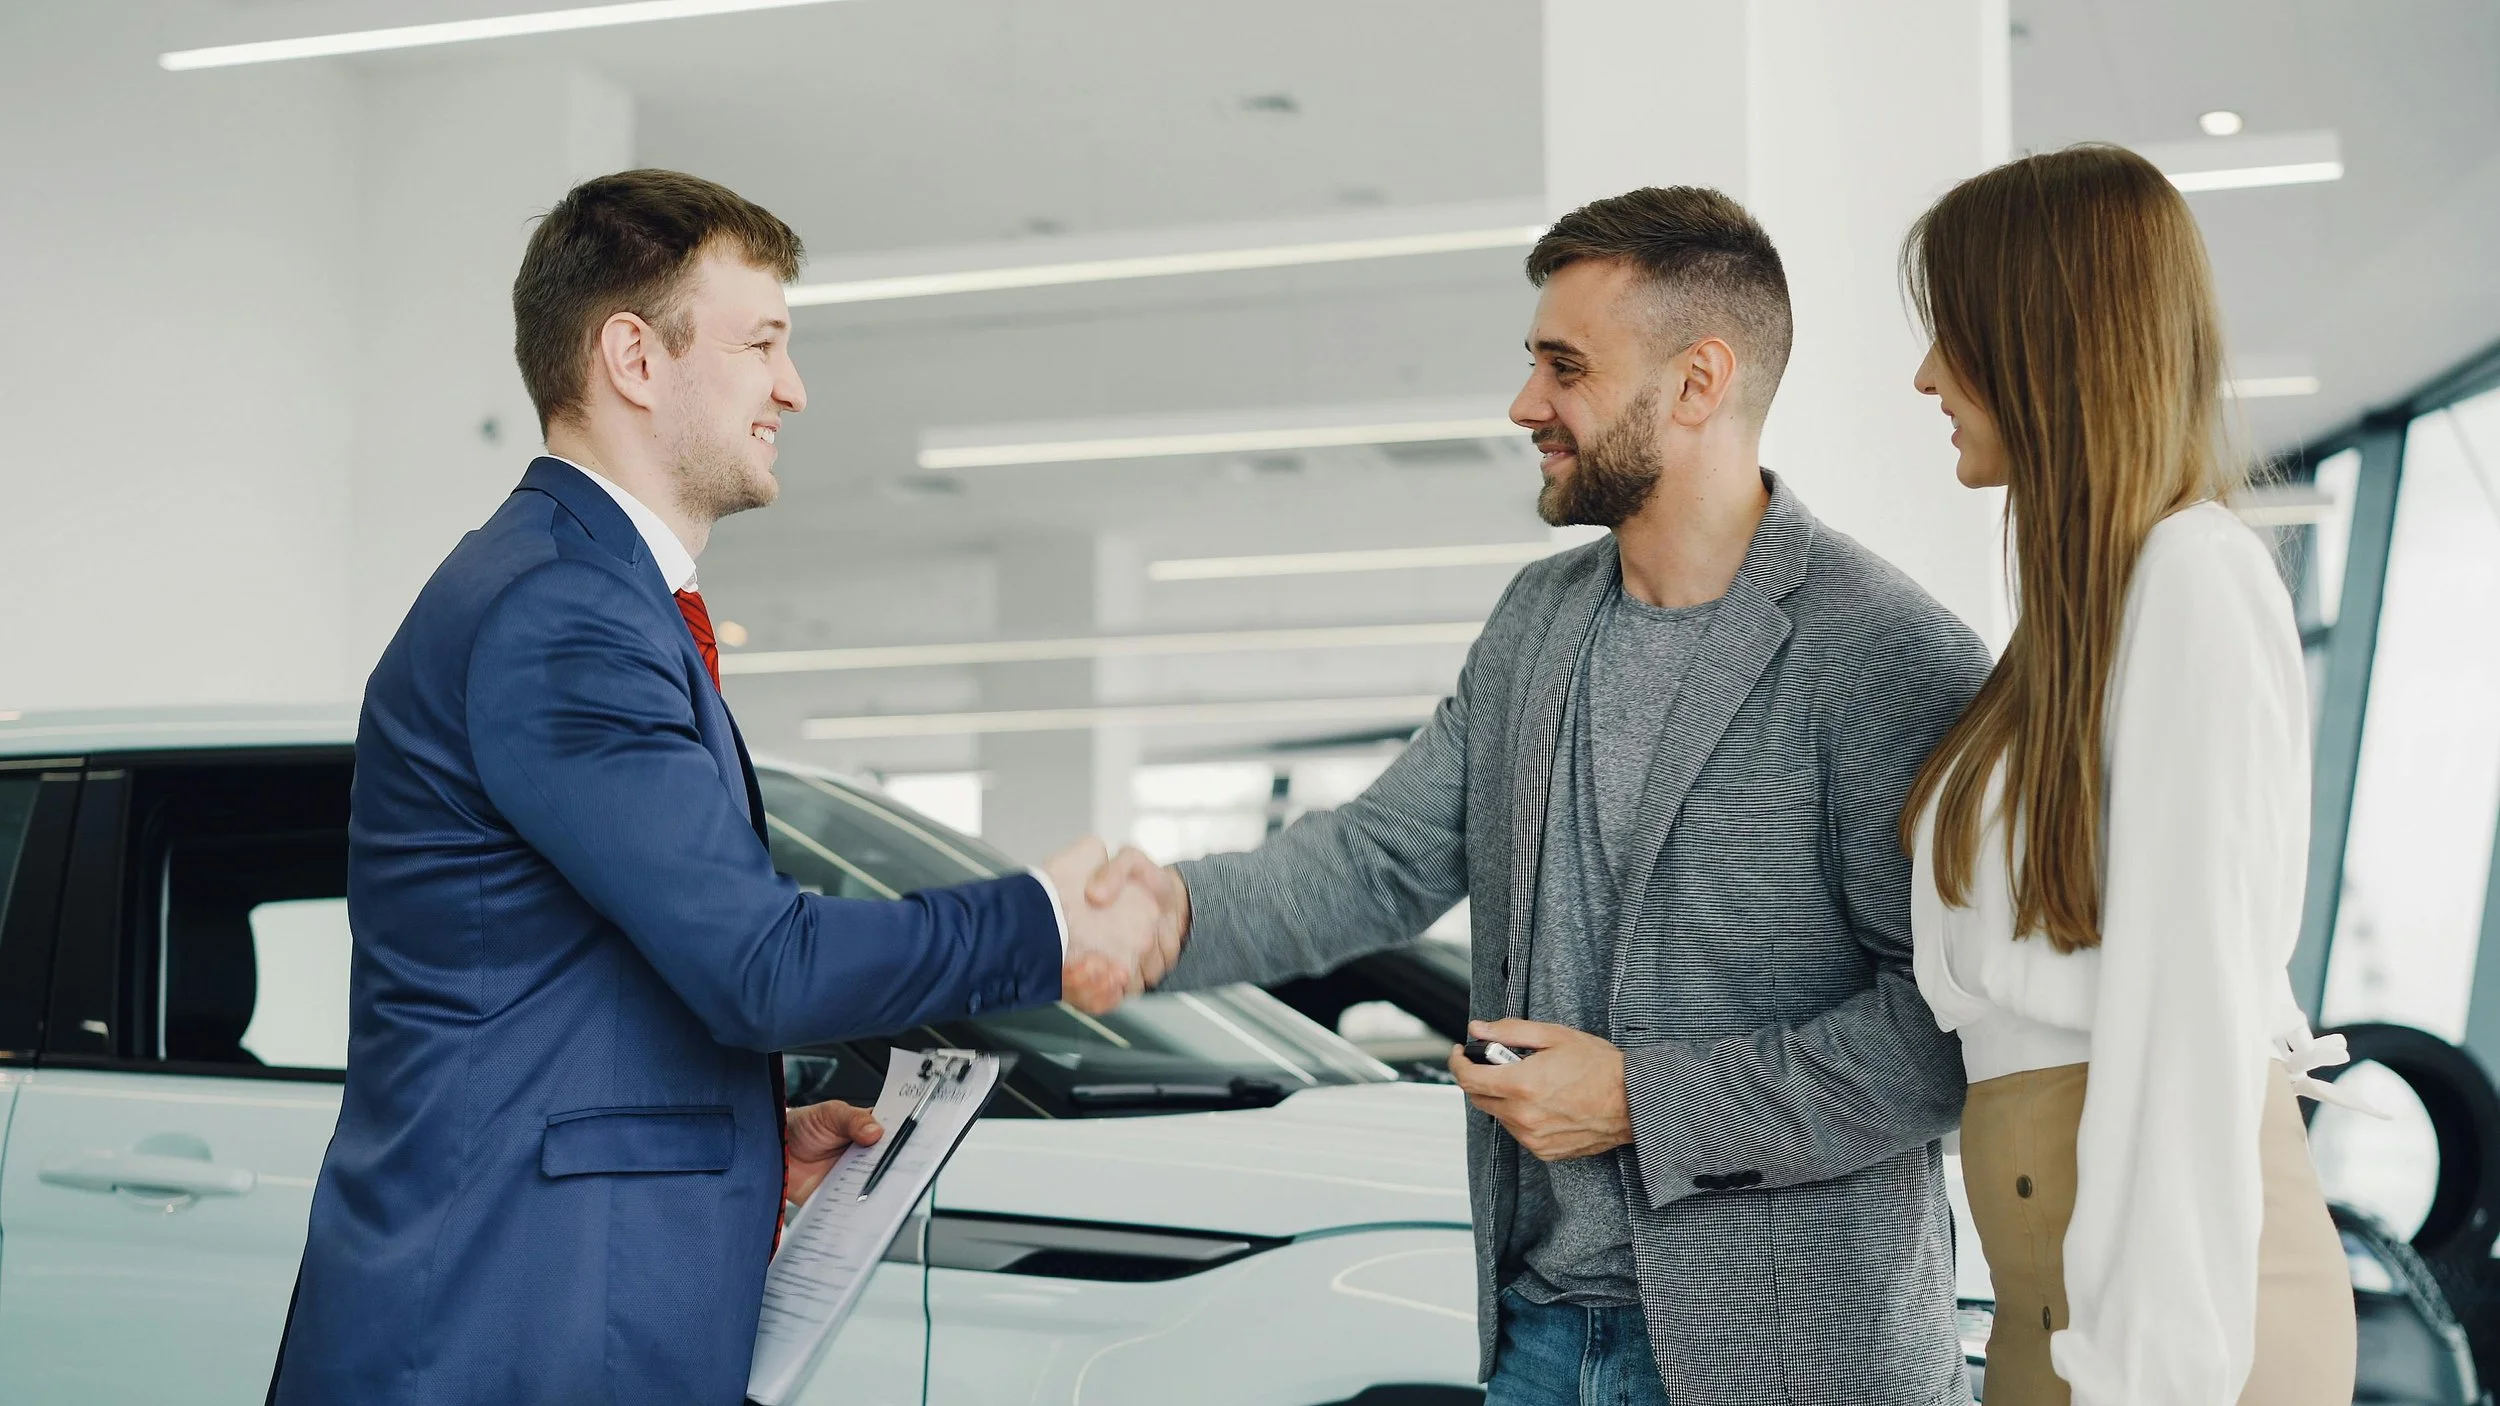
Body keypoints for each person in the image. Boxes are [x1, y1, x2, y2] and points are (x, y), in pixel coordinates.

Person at [268, 170, 1168, 1406]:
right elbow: (761, 964)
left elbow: (597, 977)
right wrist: (1049, 923)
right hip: (510, 1322)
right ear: (634, 357)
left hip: (548, 1295)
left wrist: (745, 1146)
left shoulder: (579, 591)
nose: (790, 387)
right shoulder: (559, 611)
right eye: (761, 344)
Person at [1089, 187, 1995, 1406]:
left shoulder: (1881, 652)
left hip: (1781, 1359)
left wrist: (1640, 1101)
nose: (1526, 405)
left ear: (1697, 380)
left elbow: (1942, 1033)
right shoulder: (1536, 621)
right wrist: (1166, 917)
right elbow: (1379, 857)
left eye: (1564, 367)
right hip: (1536, 1334)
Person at [1899, 143, 2359, 1405]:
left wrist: (2148, 1376)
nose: (1927, 372)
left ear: (2043, 338)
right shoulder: (2075, 625)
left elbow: (2192, 1015)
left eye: (1955, 331)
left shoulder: (2194, 579)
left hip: (2167, 1335)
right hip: (2067, 1306)